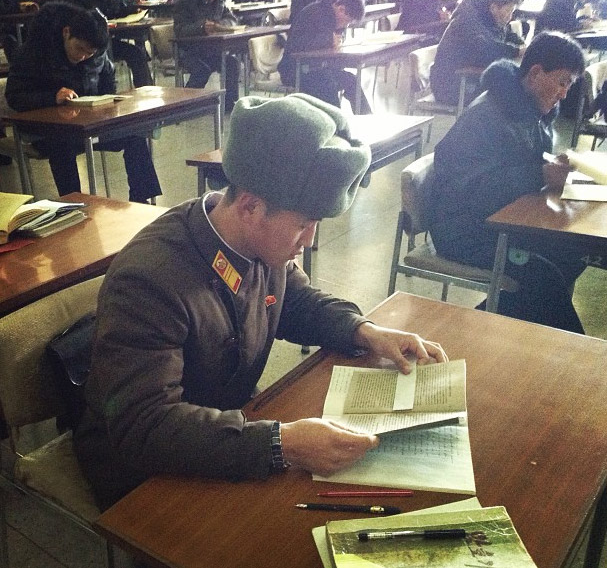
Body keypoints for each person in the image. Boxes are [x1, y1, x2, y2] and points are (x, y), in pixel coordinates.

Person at [73, 92, 447, 510]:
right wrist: (278, 442)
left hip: (224, 426)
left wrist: (365, 331)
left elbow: (293, 300)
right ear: (251, 207)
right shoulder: (150, 280)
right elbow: (143, 429)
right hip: (142, 470)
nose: (309, 242)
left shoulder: (255, 244)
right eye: (303, 226)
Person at [429, 31, 587, 334]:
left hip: (501, 221)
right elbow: (471, 193)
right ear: (536, 73)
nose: (564, 95)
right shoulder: (485, 117)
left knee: (572, 252)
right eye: (563, 82)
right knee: (544, 273)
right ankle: (581, 363)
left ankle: (489, 326)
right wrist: (540, 174)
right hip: (464, 229)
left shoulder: (530, 110)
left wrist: (549, 169)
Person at [5, 1, 161, 203]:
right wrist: (53, 96)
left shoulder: (96, 54)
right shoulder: (34, 51)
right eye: (79, 49)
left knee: (133, 135)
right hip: (47, 130)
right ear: (66, 32)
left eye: (89, 53)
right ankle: (75, 206)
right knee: (62, 147)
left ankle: (141, 201)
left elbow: (108, 83)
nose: (82, 57)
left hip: (87, 125)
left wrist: (107, 103)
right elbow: (15, 96)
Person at [430, 0, 525, 107]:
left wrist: (522, 45)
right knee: (509, 92)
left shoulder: (491, 18)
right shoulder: (469, 20)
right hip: (450, 84)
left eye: (512, 12)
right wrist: (517, 51)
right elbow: (485, 49)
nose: (509, 17)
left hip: (469, 79)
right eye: (507, 11)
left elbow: (507, 35)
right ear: (493, 8)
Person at [279, 0, 372, 114]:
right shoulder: (313, 13)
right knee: (327, 83)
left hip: (319, 68)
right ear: (341, 9)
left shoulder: (332, 16)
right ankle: (338, 126)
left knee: (351, 80)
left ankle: (366, 118)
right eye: (347, 21)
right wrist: (329, 39)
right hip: (295, 70)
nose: (346, 25)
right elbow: (298, 45)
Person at [71, 0, 152, 87]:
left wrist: (132, 10)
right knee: (106, 55)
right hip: (91, 45)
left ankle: (146, 90)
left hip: (112, 39)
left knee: (137, 54)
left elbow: (118, 9)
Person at [173, 0, 240, 110]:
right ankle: (185, 106)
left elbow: (232, 19)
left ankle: (229, 105)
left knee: (232, 63)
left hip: (211, 49)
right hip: (189, 51)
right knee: (202, 68)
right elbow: (179, 31)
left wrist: (219, 25)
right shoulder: (185, 2)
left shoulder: (220, 0)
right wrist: (201, 27)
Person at [0, 0, 39, 64]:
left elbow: (38, 3)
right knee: (11, 44)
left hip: (27, 27)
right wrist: (18, 8)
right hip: (6, 29)